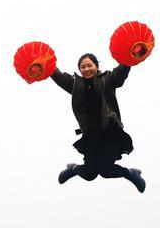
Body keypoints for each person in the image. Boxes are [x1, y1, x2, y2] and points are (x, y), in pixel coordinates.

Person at [50, 54, 146, 193]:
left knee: (105, 170)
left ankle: (131, 173)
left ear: (97, 66)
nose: (86, 69)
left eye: (90, 65)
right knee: (89, 174)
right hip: (91, 137)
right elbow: (58, 76)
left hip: (111, 134)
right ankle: (73, 169)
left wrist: (128, 58)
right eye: (83, 67)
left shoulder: (107, 79)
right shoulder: (76, 84)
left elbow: (120, 74)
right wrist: (45, 64)